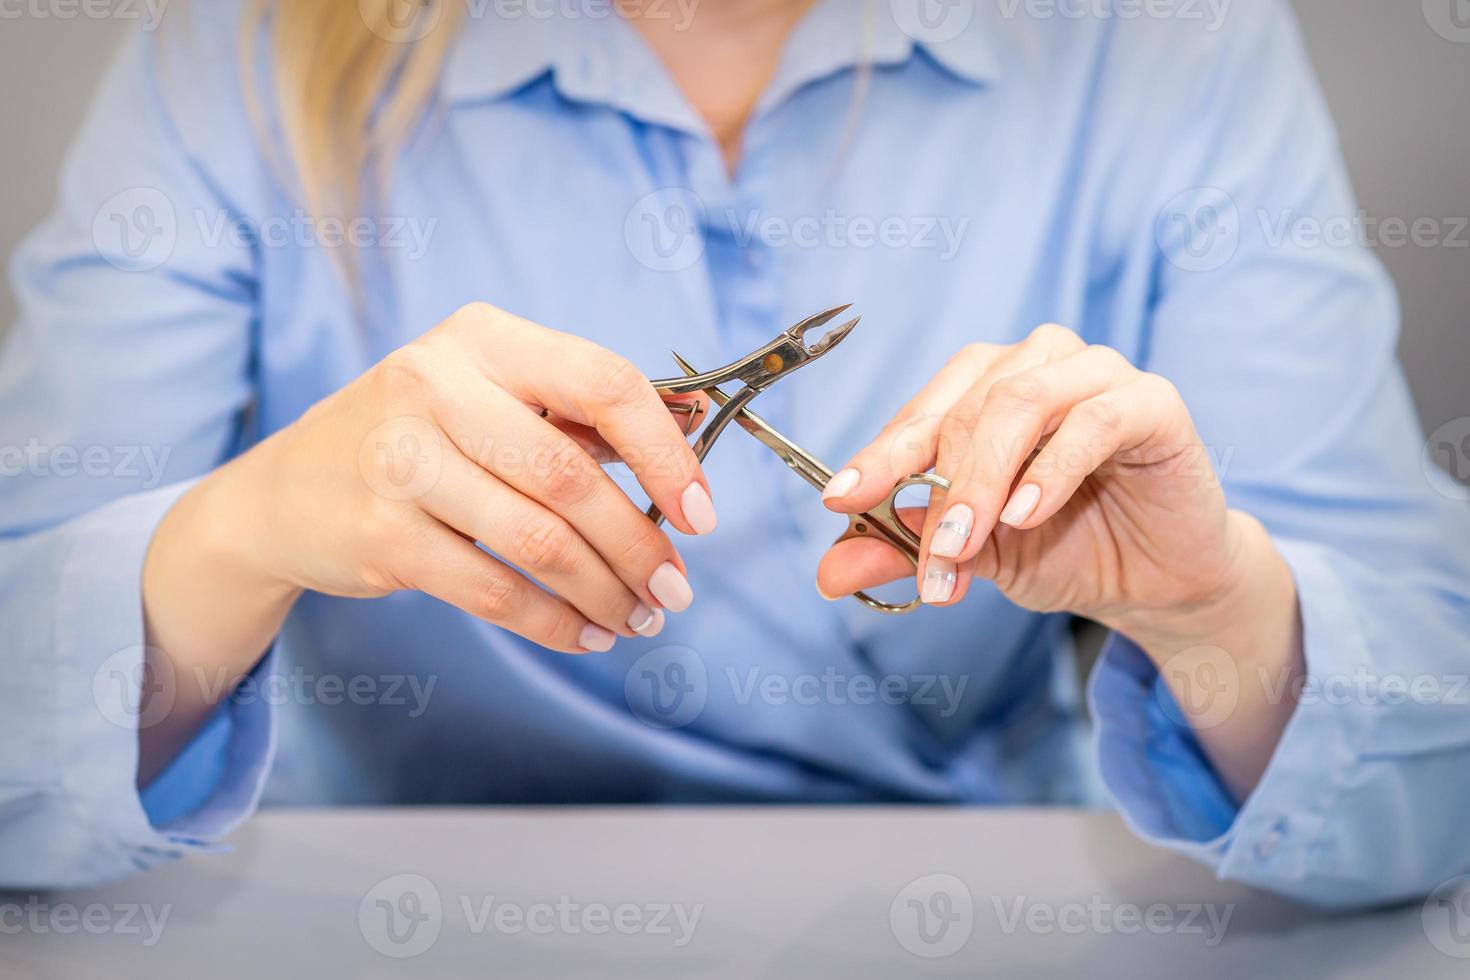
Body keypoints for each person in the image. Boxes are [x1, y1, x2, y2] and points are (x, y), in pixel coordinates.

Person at [1, 0, 1466, 906]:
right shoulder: (229, 50)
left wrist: (1216, 612)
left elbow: (1438, 770)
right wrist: (240, 533)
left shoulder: (1169, 43)